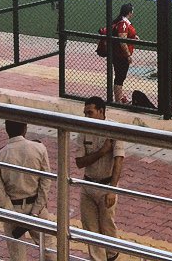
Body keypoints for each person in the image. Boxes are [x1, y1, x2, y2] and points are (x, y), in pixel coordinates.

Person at [0, 120, 55, 261]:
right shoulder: (39, 148)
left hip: (13, 208)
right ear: (25, 129)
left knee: (17, 256)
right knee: (48, 250)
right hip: (37, 207)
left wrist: (12, 214)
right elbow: (46, 181)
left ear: (7, 130)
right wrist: (36, 209)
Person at [75, 96, 124, 261]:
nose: (87, 117)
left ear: (101, 111)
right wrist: (102, 152)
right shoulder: (83, 130)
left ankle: (112, 255)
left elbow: (119, 161)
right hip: (88, 185)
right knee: (90, 229)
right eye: (85, 113)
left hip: (106, 186)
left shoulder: (115, 129)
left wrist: (112, 189)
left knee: (107, 227)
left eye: (90, 112)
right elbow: (79, 162)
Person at [108, 3, 137, 105]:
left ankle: (119, 98)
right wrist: (128, 55)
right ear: (129, 12)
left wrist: (134, 37)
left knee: (120, 77)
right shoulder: (123, 24)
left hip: (119, 55)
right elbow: (122, 40)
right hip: (121, 56)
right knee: (120, 77)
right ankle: (118, 100)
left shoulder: (123, 22)